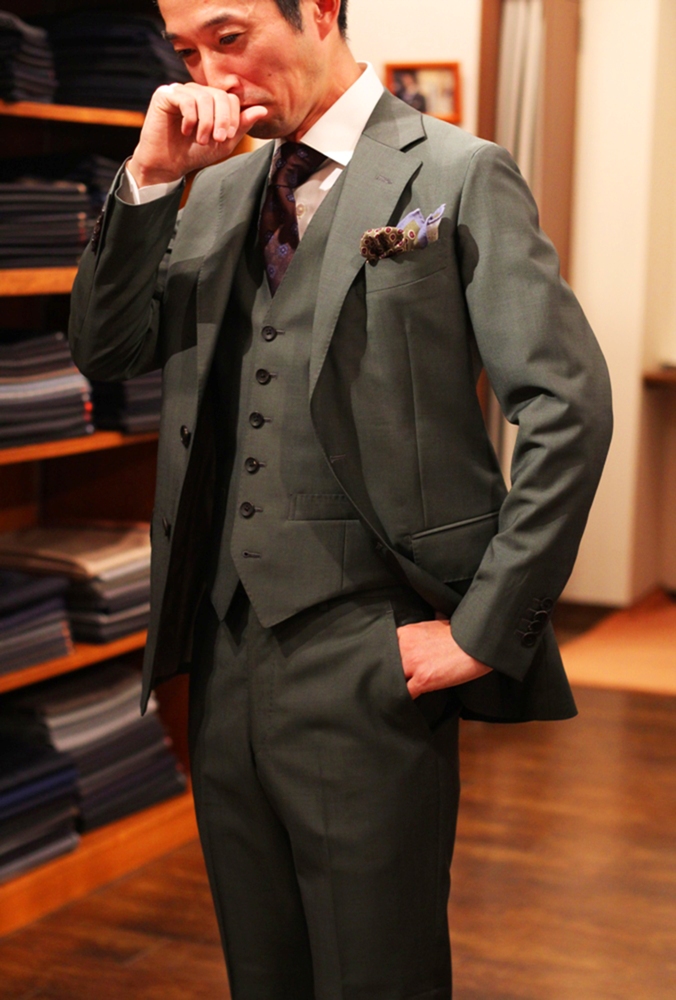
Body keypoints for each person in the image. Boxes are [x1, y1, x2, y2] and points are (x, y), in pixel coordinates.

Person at [69, 1, 613, 996]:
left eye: (229, 39)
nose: (210, 76)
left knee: (378, 975)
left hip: (372, 653)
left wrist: (484, 629)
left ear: (320, 8)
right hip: (218, 655)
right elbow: (108, 349)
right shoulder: (213, 186)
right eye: (186, 51)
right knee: (261, 970)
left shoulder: (457, 173)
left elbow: (565, 410)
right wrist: (148, 178)